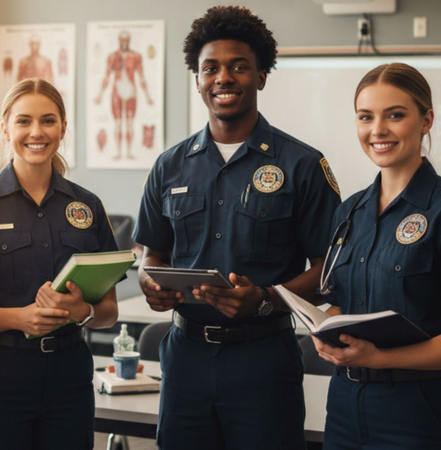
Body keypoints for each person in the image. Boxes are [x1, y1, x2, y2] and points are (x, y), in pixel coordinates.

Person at [133, 6, 341, 449]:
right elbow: (150, 252)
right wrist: (149, 280)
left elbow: (329, 271)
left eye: (239, 66)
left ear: (261, 77)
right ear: (197, 81)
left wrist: (265, 300)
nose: (223, 78)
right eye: (211, 68)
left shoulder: (303, 165)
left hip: (264, 359)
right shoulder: (169, 166)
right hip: (184, 357)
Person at [313, 63, 441, 450]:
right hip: (345, 407)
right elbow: (342, 302)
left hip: (418, 412)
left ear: (426, 120)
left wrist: (379, 358)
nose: (377, 130)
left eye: (395, 115)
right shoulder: (349, 211)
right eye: (366, 117)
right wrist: (326, 326)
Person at [0, 78, 121, 449]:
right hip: (0, 373)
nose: (36, 132)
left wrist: (82, 310)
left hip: (69, 375)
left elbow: (108, 312)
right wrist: (18, 318)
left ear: (63, 128)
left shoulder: (88, 207)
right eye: (23, 121)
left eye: (48, 121)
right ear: (5, 127)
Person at [94, 29, 154, 160]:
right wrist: (100, 94)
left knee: (130, 122)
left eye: (126, 41)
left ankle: (129, 152)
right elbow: (107, 76)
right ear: (119, 41)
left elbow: (141, 77)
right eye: (123, 41)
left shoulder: (136, 56)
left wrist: (148, 95)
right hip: (117, 90)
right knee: (118, 123)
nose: (124, 43)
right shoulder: (112, 57)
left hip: (131, 89)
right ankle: (119, 153)